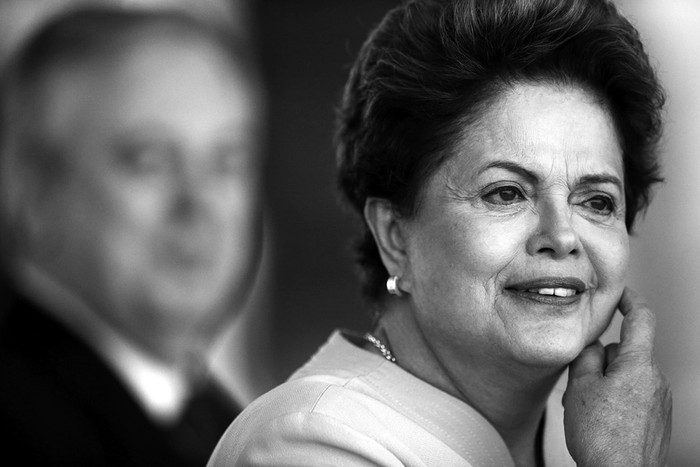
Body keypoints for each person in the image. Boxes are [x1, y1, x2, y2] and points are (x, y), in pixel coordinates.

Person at [208, 0, 672, 466]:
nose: (563, 236)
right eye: (506, 193)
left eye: (597, 202)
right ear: (394, 237)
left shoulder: (580, 437)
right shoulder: (307, 443)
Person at [0, 6, 265, 465]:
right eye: (149, 161)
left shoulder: (225, 423)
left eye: (227, 162)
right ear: (34, 188)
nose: (198, 207)